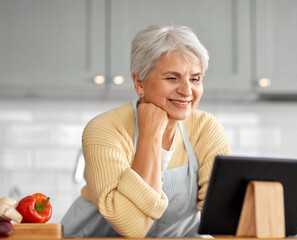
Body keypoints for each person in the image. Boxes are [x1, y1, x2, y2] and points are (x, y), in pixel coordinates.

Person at [61, 24, 231, 238]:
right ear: (139, 83)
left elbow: (221, 214)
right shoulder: (105, 129)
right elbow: (131, 227)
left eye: (195, 78)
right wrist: (150, 136)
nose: (187, 91)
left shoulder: (205, 127)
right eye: (172, 78)